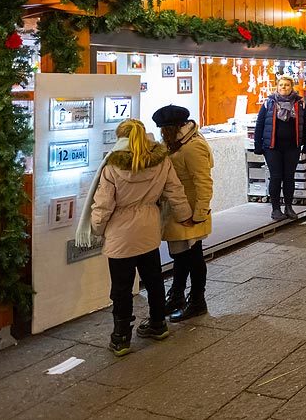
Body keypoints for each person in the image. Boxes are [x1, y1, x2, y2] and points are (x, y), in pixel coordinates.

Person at [89, 119, 193, 357]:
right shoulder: (160, 160)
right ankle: (158, 324)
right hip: (148, 229)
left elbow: (103, 205)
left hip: (120, 234)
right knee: (154, 279)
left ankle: (121, 337)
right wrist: (185, 215)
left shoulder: (112, 166)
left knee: (121, 287)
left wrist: (96, 227)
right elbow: (175, 191)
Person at [152, 105, 214, 323]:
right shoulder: (176, 144)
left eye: (163, 129)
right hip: (177, 211)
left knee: (193, 255)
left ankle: (197, 300)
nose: (161, 134)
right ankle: (177, 295)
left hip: (189, 211)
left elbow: (203, 182)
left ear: (171, 128)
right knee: (179, 255)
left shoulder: (192, 146)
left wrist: (200, 213)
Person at [254, 75, 306, 221]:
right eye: (281, 85)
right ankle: (275, 209)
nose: (283, 87)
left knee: (289, 177)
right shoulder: (269, 103)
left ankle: (289, 207)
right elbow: (259, 125)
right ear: (277, 87)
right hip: (272, 147)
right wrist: (258, 146)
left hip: (292, 147)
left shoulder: (300, 104)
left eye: (286, 85)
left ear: (292, 87)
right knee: (276, 176)